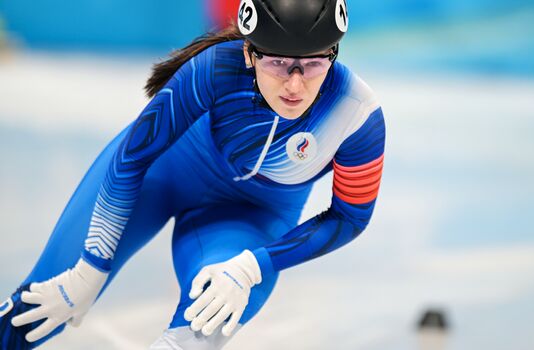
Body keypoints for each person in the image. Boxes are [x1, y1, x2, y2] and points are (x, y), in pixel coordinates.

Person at [0, 0, 385, 348]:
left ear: (334, 54)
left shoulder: (355, 113)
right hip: (161, 176)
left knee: (196, 332)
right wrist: (89, 269)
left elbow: (350, 217)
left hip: (248, 219)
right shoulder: (216, 68)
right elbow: (132, 159)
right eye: (278, 63)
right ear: (249, 54)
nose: (296, 83)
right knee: (36, 309)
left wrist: (253, 266)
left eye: (315, 63)